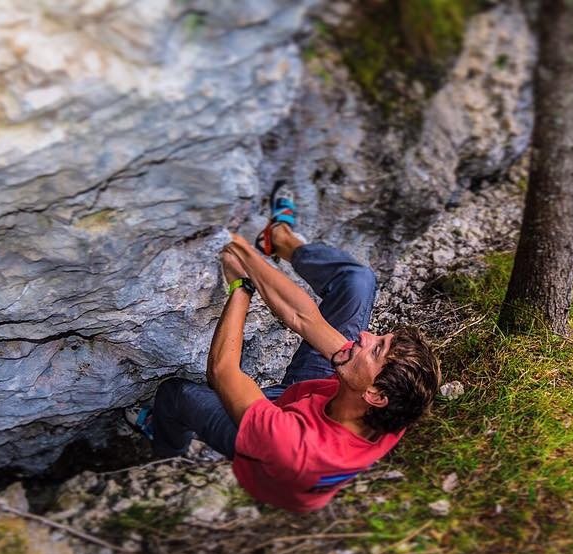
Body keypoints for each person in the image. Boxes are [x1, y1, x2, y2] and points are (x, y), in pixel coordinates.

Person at [126, 184, 441, 512]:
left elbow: (222, 372)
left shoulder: (291, 446)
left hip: (264, 452)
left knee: (176, 395)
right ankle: (279, 239)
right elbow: (303, 318)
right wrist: (241, 248)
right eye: (381, 339)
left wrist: (241, 287)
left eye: (376, 350)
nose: (367, 336)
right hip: (319, 397)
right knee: (357, 282)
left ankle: (166, 446)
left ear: (375, 394)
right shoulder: (393, 405)